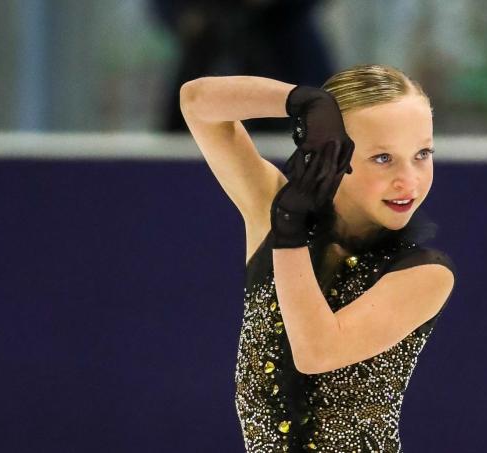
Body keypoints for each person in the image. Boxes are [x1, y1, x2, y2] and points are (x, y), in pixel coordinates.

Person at [180, 64, 456, 452]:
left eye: (422, 154)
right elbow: (196, 101)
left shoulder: (426, 273)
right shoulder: (268, 206)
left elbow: (316, 351)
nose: (408, 180)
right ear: (330, 151)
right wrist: (299, 100)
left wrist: (288, 228)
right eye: (383, 158)